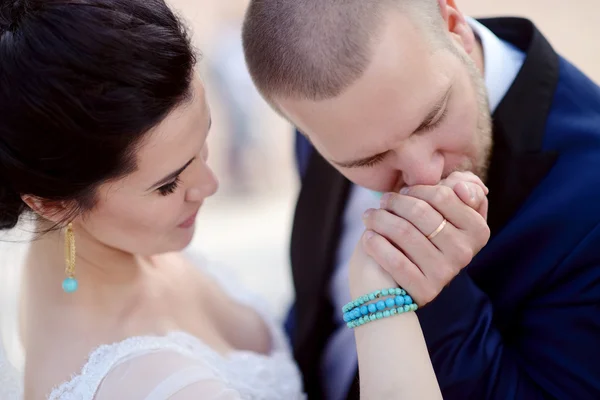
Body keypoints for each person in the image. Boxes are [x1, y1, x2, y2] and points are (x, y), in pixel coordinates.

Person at [0, 1, 484, 399]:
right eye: (168, 183)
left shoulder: (117, 250)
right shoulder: (155, 386)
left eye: (202, 140)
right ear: (51, 203)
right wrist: (378, 294)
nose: (209, 184)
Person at [241, 0, 600, 399]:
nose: (424, 175)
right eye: (370, 159)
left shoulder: (591, 191)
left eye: (433, 117)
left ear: (454, 26)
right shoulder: (330, 113)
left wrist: (436, 292)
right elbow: (318, 311)